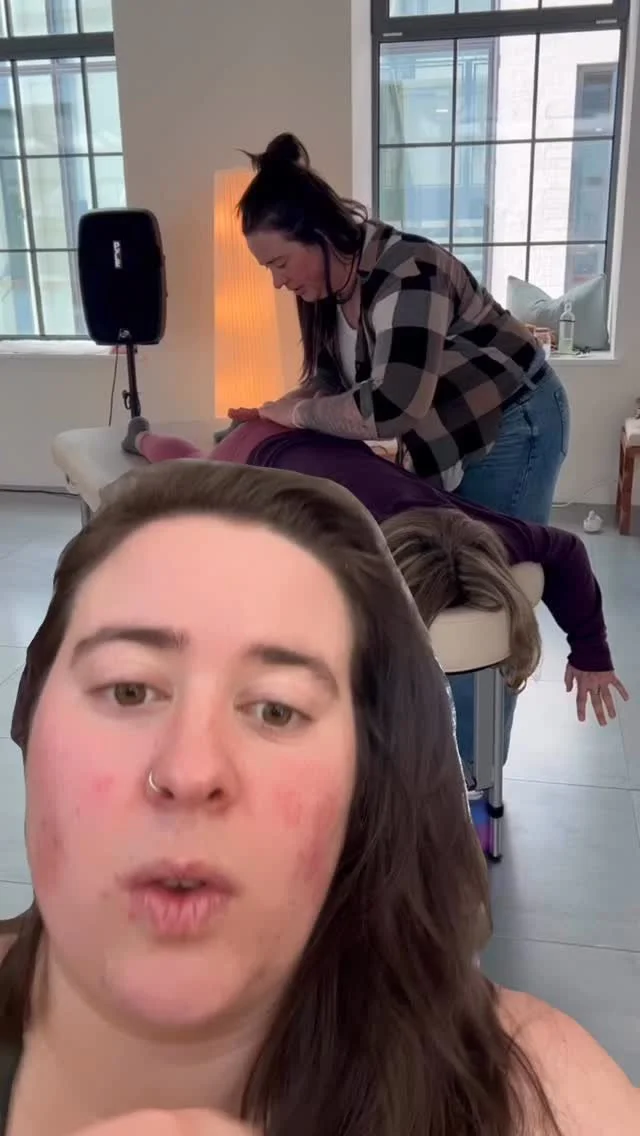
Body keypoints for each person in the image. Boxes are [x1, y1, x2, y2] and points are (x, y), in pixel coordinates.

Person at [0, 460, 636, 1136]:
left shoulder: (547, 1092)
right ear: (31, 719)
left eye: (275, 710)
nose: (188, 770)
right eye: (130, 691)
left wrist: (592, 651)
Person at [120, 417, 628, 768]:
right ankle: (142, 437)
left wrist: (591, 653)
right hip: (260, 452)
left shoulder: (480, 535)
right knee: (190, 464)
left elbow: (566, 550)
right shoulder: (329, 545)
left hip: (327, 443)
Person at [228, 132, 570, 528]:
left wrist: (299, 413)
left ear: (318, 235)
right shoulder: (327, 289)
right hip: (455, 423)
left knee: (502, 557)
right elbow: (330, 379)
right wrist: (272, 412)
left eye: (280, 263)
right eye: (268, 268)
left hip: (515, 414)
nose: (277, 282)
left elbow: (393, 406)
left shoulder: (410, 273)